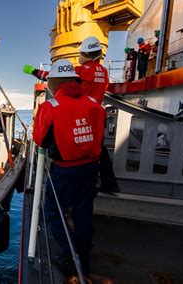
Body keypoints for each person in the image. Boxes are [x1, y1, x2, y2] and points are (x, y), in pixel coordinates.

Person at [33, 59, 106, 279]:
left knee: (53, 211)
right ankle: (83, 250)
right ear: (75, 80)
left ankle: (70, 251)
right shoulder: (95, 103)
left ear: (54, 83)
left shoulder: (51, 107)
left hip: (65, 171)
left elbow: (39, 140)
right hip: (91, 168)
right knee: (83, 210)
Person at [26, 36, 119, 193]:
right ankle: (109, 183)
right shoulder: (103, 72)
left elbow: (54, 76)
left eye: (81, 53)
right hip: (96, 114)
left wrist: (34, 71)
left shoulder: (82, 71)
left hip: (80, 112)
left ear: (86, 54)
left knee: (72, 148)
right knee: (98, 150)